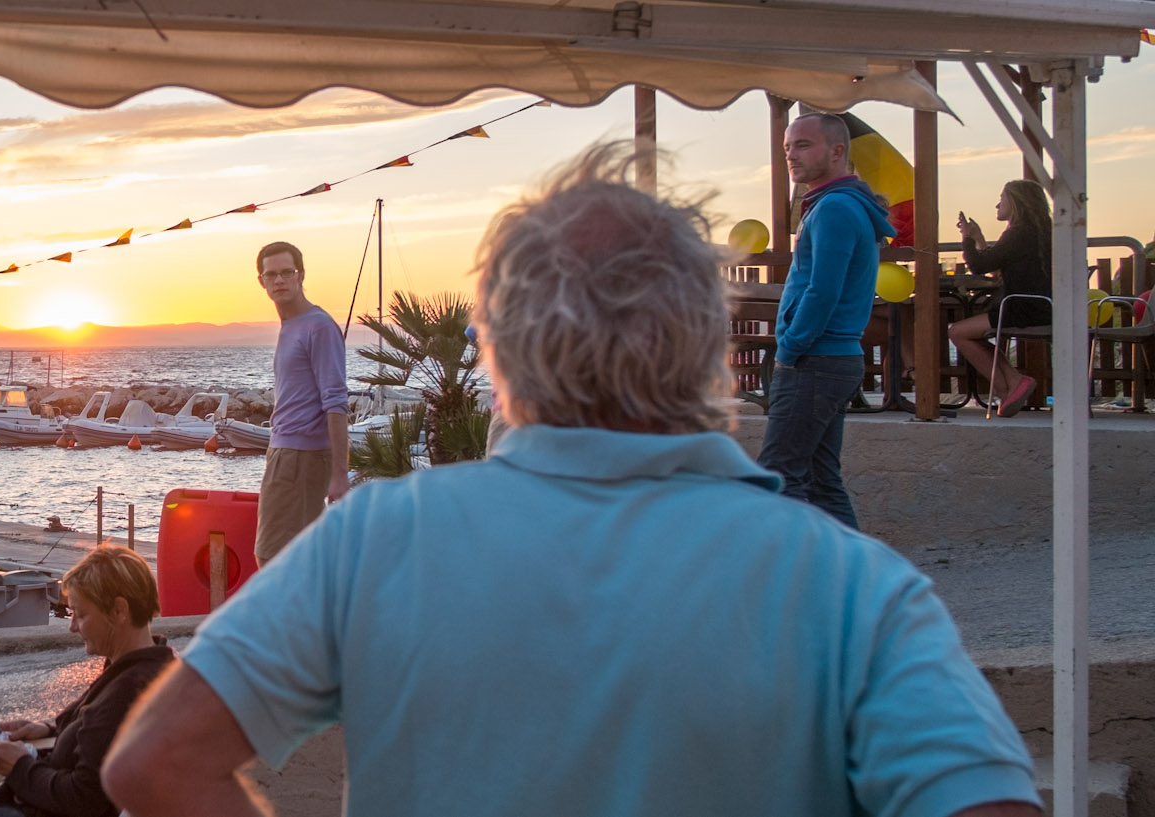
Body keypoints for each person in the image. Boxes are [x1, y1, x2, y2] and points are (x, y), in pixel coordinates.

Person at [102, 145, 1040, 817]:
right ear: (709, 347)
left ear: (502, 352)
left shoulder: (379, 541)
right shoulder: (855, 588)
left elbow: (153, 763)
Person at [0, 546, 174, 817]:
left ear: (119, 611)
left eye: (81, 614)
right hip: (36, 795)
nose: (72, 626)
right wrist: (48, 728)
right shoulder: (148, 667)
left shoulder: (128, 690)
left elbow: (86, 797)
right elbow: (94, 735)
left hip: (40, 802)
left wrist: (19, 766)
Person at [755, 112, 896, 530]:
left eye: (803, 145)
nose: (791, 156)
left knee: (779, 476)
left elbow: (823, 291)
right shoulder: (839, 205)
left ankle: (793, 579)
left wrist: (791, 347)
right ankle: (856, 577)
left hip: (815, 359)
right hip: (832, 359)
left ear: (837, 152)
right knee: (819, 480)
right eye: (787, 148)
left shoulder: (834, 208)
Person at [252, 241, 348, 565]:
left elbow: (335, 401)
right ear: (262, 281)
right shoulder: (291, 325)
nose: (279, 280)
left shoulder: (318, 326)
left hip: (300, 457)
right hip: (285, 451)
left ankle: (294, 617)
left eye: (286, 272)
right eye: (271, 274)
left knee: (271, 558)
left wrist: (340, 475)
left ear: (301, 275)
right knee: (296, 559)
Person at [954, 179, 1054, 417]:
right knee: (972, 335)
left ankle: (1007, 387)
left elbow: (979, 265)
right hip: (1040, 305)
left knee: (957, 332)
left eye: (1002, 198)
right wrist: (979, 240)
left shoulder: (1019, 233)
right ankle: (1011, 384)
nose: (997, 204)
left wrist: (967, 238)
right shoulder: (1036, 232)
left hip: (1022, 307)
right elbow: (998, 267)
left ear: (1017, 202)